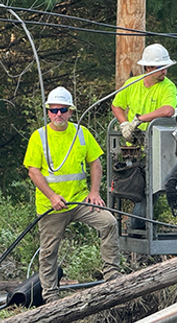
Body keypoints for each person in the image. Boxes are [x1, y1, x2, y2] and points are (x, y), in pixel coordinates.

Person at [24, 86, 121, 303]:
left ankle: (113, 276)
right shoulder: (39, 137)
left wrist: (94, 192)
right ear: (48, 111)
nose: (58, 114)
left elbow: (95, 163)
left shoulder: (81, 133)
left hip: (79, 199)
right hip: (52, 205)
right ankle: (50, 297)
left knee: (109, 223)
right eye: (54, 110)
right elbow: (33, 171)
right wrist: (51, 197)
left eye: (63, 109)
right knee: (49, 250)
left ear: (70, 111)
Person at [111, 44, 177, 229]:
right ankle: (132, 235)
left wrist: (139, 119)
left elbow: (168, 110)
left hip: (156, 149)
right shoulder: (133, 85)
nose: (165, 71)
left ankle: (136, 233)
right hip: (133, 150)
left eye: (166, 67)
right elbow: (116, 105)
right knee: (128, 188)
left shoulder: (168, 87)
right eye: (160, 67)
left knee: (147, 192)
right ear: (148, 68)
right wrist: (125, 123)